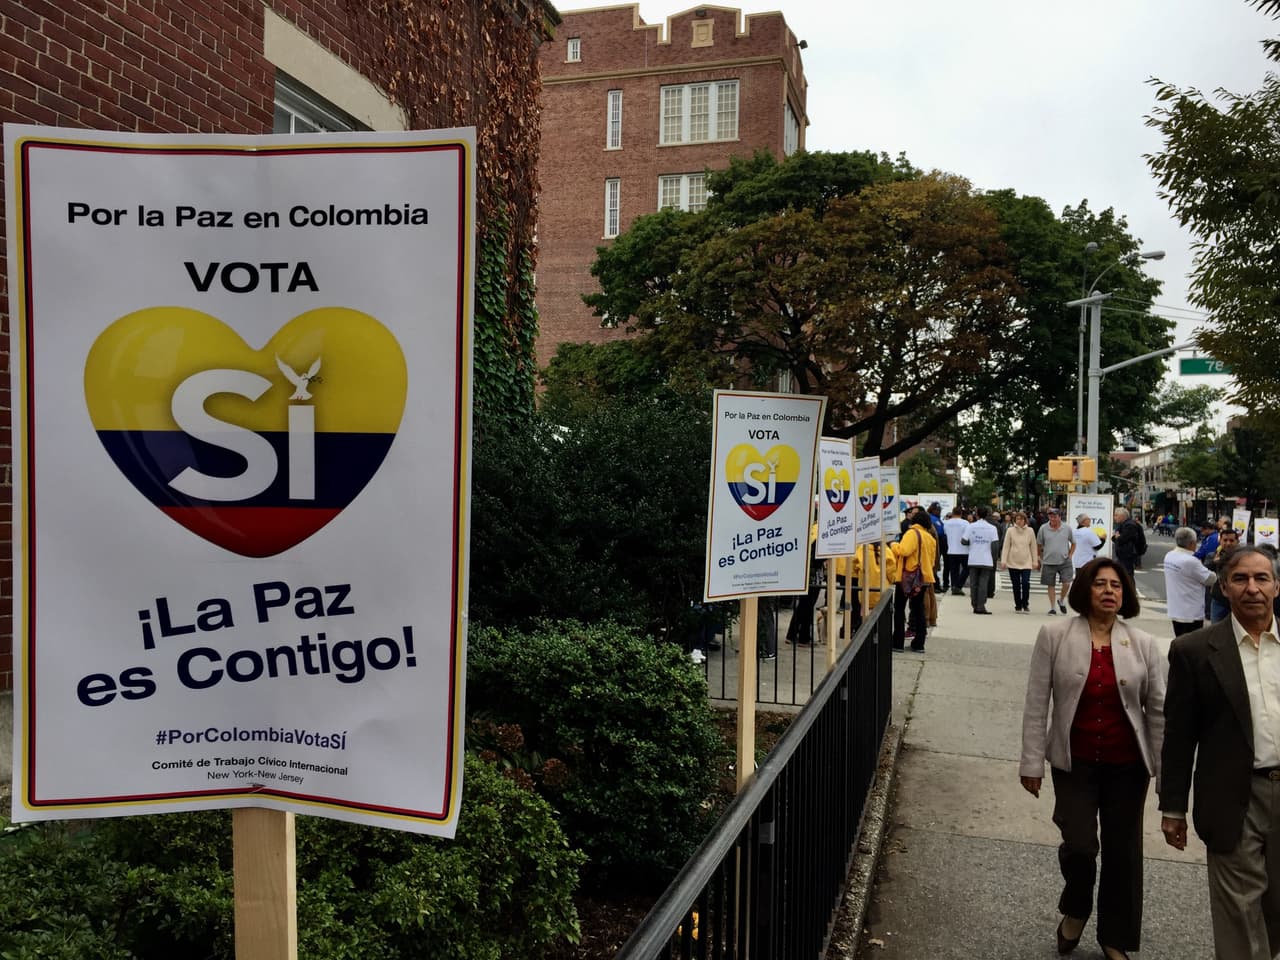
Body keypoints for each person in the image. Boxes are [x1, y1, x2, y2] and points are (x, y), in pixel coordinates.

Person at [1020, 558, 1165, 960]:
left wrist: (1165, 778)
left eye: (1116, 586)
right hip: (1075, 762)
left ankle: (1114, 937)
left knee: (1123, 851)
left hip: (1127, 766)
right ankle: (1077, 905)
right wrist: (1032, 762)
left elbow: (1158, 711)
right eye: (1100, 584)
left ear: (1126, 594)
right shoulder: (1054, 635)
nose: (1108, 592)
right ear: (1085, 590)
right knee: (1081, 845)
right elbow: (1037, 704)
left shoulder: (1144, 644)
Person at [1159, 547, 1280, 960]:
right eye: (1241, 579)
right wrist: (1172, 806)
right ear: (1224, 587)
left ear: (1276, 587)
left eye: (1261, 579)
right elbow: (1178, 735)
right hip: (1233, 796)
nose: (1252, 588)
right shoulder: (1195, 650)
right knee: (1240, 913)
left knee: (1274, 911)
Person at [890, 509, 937, 652]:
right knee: (918, 609)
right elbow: (932, 559)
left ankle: (897, 642)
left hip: (907, 576)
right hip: (923, 577)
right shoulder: (930, 538)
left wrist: (893, 545)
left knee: (899, 608)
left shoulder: (912, 534)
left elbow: (903, 551)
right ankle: (919, 643)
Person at [1163, 526, 1217, 636]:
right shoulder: (1191, 561)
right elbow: (1210, 579)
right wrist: (1214, 563)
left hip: (1175, 608)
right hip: (1191, 612)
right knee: (1192, 645)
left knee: (1179, 639)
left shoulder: (1169, 556)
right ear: (1192, 543)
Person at [1037, 508, 1075, 615]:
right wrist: (1039, 557)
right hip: (1049, 560)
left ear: (1059, 517)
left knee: (1067, 582)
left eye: (1054, 516)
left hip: (1064, 560)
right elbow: (1039, 544)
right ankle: (1053, 607)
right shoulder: (1043, 528)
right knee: (1050, 584)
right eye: (1050, 516)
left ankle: (1061, 600)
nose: (1052, 518)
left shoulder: (1066, 528)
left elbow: (1073, 543)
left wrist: (1070, 555)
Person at [1000, 510, 1039, 613]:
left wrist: (1035, 561)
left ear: (1025, 520)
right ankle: (1018, 604)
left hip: (1026, 561)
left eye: (1021, 519)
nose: (1019, 521)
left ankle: (1025, 604)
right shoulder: (1010, 530)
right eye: (1017, 519)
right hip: (1013, 561)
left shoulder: (1030, 531)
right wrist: (1003, 560)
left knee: (1025, 583)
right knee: (1016, 584)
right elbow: (1006, 546)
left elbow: (1033, 547)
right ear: (1015, 520)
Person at [963, 506, 999, 615]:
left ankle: (974, 604)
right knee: (983, 583)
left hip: (973, 558)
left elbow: (963, 541)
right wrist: (994, 559)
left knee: (974, 583)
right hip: (986, 558)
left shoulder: (971, 526)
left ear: (976, 514)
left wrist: (973, 542)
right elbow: (995, 545)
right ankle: (981, 605)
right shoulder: (992, 528)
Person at [1204, 527, 1241, 624]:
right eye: (1225, 540)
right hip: (1218, 600)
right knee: (1216, 631)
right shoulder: (1212, 556)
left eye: (1231, 540)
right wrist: (1214, 562)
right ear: (1220, 540)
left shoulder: (1243, 558)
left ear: (1237, 541)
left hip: (1238, 601)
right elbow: (1204, 571)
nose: (1228, 543)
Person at [1110, 507, 1145, 578]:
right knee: (1122, 575)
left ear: (1122, 516)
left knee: (1127, 575)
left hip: (1127, 555)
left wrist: (1117, 537)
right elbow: (1114, 538)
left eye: (1116, 515)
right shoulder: (1122, 524)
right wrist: (1116, 537)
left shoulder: (1130, 525)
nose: (1114, 517)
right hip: (1123, 554)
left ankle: (1129, 589)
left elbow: (1122, 539)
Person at [943, 506, 970, 595]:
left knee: (953, 570)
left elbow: (945, 533)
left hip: (951, 549)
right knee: (966, 569)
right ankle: (958, 586)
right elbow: (967, 536)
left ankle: (954, 586)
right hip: (963, 550)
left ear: (952, 513)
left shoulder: (946, 523)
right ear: (961, 514)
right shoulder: (965, 523)